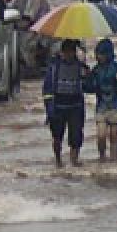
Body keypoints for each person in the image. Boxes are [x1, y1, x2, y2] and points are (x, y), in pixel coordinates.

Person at [84, 38, 117, 162]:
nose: (99, 57)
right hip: (101, 107)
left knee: (114, 135)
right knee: (101, 135)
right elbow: (89, 88)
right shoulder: (96, 70)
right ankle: (102, 157)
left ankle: (114, 160)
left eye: (101, 54)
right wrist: (87, 78)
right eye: (97, 54)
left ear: (108, 54)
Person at [42, 39, 90, 167]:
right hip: (58, 107)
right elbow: (47, 89)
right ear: (62, 52)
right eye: (66, 52)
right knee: (57, 137)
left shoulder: (81, 67)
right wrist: (49, 109)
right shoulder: (54, 68)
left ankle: (74, 161)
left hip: (76, 107)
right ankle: (58, 161)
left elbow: (87, 86)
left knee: (76, 136)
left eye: (71, 52)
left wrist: (87, 75)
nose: (69, 55)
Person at [9, 0, 52, 71]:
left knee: (24, 42)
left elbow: (28, 20)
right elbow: (9, 8)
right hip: (30, 29)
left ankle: (32, 67)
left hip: (40, 31)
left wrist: (14, 25)